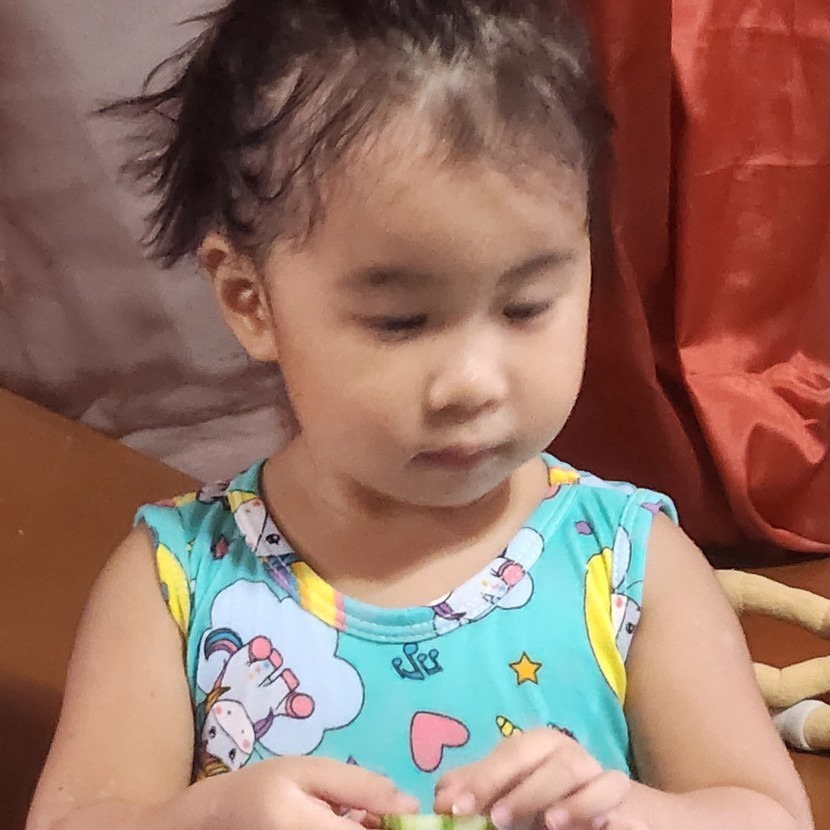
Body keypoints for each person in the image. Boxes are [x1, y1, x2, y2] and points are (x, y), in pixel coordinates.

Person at [26, 2, 813, 830]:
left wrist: (632, 815)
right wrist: (207, 821)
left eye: (526, 306)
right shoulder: (178, 583)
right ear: (250, 299)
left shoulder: (630, 563)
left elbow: (768, 815)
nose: (471, 383)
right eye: (401, 321)